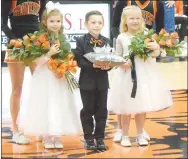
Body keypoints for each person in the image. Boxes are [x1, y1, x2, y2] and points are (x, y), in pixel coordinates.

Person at [108, 5, 173, 147]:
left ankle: (140, 134)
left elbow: (155, 55)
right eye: (131, 18)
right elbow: (117, 58)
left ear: (142, 20)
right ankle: (125, 135)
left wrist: (157, 48)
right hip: (126, 77)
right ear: (125, 21)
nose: (135, 21)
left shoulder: (147, 34)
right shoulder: (121, 37)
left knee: (141, 107)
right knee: (126, 108)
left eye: (138, 18)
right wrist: (122, 63)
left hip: (144, 75)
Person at [20, 1, 82, 149]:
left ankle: (57, 135)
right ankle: (47, 135)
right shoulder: (39, 39)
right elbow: (36, 61)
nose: (55, 24)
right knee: (46, 103)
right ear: (45, 22)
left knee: (59, 103)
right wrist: (49, 53)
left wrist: (64, 68)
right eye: (52, 21)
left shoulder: (64, 40)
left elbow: (68, 57)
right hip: (45, 77)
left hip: (59, 77)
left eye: (58, 21)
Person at [2, 0, 47, 145]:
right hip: (17, 45)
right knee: (17, 89)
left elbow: (42, 20)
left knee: (41, 87)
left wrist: (42, 39)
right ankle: (15, 130)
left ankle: (41, 128)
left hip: (36, 45)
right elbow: (2, 22)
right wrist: (14, 39)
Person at [73, 10, 111, 151]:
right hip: (86, 82)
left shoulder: (106, 41)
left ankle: (100, 138)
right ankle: (89, 138)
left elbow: (110, 61)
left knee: (102, 110)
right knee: (88, 109)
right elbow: (79, 60)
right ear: (86, 24)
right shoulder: (80, 40)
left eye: (99, 23)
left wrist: (108, 66)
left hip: (102, 82)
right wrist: (92, 65)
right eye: (93, 22)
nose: (96, 25)